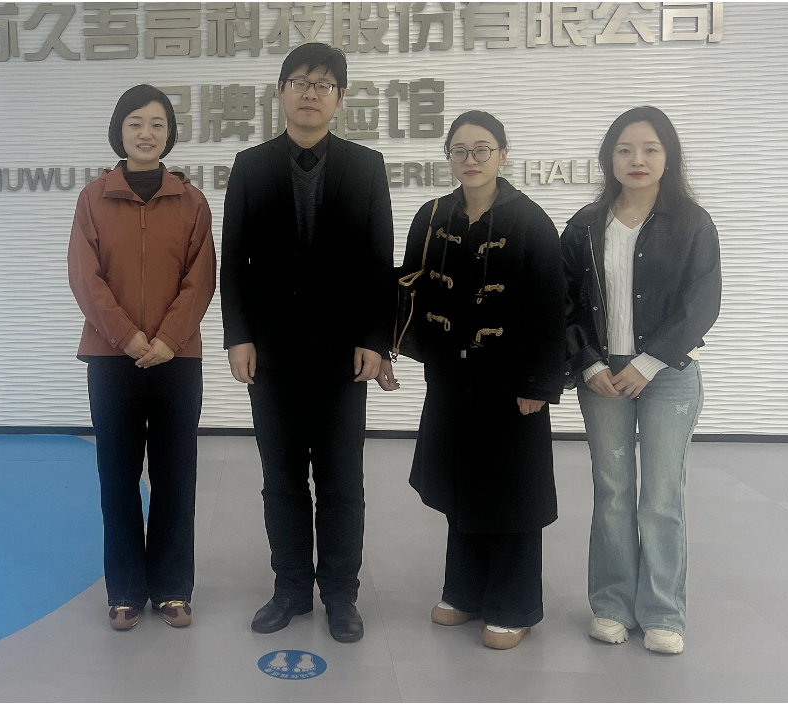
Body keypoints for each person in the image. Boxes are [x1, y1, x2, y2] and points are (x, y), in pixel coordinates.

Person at [220, 42, 394, 643]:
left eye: (323, 84)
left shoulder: (366, 165)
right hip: (270, 355)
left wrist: (376, 339)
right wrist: (238, 336)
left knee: (342, 483)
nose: (311, 93)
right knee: (283, 480)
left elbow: (379, 262)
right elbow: (233, 262)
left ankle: (341, 595)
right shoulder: (250, 165)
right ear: (281, 92)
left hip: (344, 357)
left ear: (339, 98)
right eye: (299, 82)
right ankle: (291, 588)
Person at [376, 111, 566, 650]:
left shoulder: (530, 221)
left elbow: (551, 305)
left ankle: (513, 605)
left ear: (503, 154)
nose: (471, 159)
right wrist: (389, 347)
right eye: (459, 150)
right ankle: (463, 591)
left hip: (510, 382)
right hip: (450, 376)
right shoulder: (433, 215)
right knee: (462, 485)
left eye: (482, 149)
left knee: (511, 492)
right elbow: (406, 287)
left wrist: (538, 383)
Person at [561, 106, 722, 654]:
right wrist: (588, 362)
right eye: (625, 149)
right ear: (609, 157)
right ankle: (611, 605)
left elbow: (701, 304)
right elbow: (565, 302)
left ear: (668, 156)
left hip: (667, 375)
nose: (637, 159)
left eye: (650, 148)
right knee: (612, 492)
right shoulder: (585, 225)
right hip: (602, 376)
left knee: (660, 496)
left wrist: (648, 362)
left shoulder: (693, 223)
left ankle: (663, 613)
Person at [67, 84, 216, 630]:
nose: (146, 133)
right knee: (118, 475)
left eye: (157, 124)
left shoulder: (192, 201)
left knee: (176, 475)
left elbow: (201, 277)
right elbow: (85, 276)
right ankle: (126, 589)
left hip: (177, 359)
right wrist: (126, 337)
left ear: (169, 134)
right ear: (119, 131)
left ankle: (173, 587)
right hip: (112, 359)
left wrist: (169, 339)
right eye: (135, 123)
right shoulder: (93, 198)